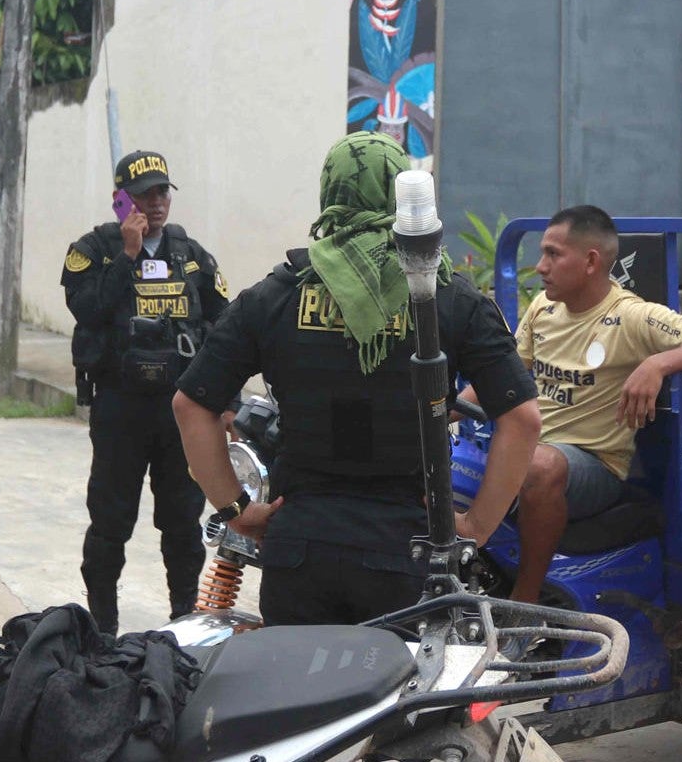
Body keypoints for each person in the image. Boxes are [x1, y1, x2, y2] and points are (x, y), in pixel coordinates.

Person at [171, 132, 541, 627]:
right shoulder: (446, 298)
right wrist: (475, 526)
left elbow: (191, 405)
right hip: (406, 551)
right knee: (392, 701)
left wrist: (236, 508)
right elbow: (521, 419)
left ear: (330, 193)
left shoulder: (275, 296)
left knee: (296, 699)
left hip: (298, 546)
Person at [504, 205, 682, 604]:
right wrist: (439, 411)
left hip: (592, 465)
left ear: (590, 262)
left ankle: (523, 601)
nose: (540, 267)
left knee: (540, 465)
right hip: (529, 449)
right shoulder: (542, 310)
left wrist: (657, 363)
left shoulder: (632, 317)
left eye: (552, 254)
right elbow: (508, 378)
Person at [63, 149, 229, 635]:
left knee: (182, 522)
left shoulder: (192, 256)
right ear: (121, 201)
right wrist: (128, 255)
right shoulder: (92, 251)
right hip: (120, 408)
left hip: (179, 411)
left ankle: (183, 621)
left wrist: (226, 401)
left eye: (161, 192)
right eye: (142, 195)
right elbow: (88, 311)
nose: (154, 204)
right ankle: (102, 628)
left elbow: (224, 325)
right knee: (110, 522)